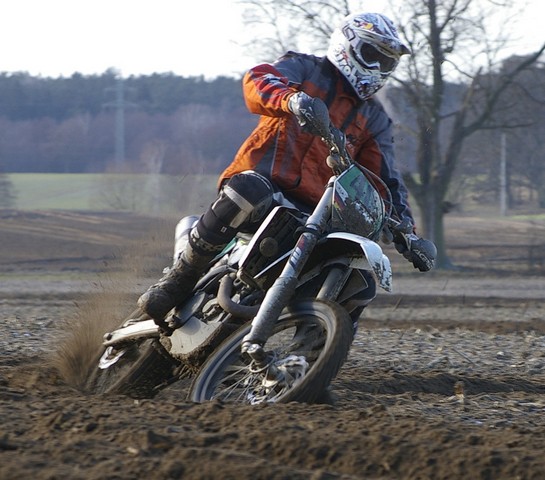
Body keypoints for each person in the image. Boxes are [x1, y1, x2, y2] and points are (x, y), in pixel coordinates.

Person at [138, 12, 436, 329]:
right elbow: (257, 80)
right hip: (261, 187)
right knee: (251, 190)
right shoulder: (304, 68)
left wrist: (408, 233)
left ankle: (310, 353)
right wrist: (291, 100)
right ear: (347, 45)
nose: (377, 67)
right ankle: (180, 278)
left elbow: (386, 180)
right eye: (371, 54)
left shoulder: (375, 119)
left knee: (358, 278)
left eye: (386, 62)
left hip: (314, 214)